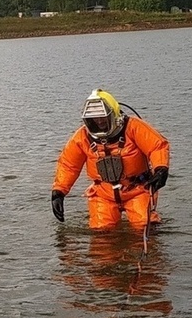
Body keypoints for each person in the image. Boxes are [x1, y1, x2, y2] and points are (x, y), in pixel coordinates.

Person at [51, 89, 170, 230]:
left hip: (137, 189)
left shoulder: (133, 127)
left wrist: (161, 169)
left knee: (144, 227)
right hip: (103, 193)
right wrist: (59, 192)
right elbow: (68, 164)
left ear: (113, 114)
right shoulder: (82, 137)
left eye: (102, 118)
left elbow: (157, 146)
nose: (99, 121)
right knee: (101, 234)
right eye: (95, 119)